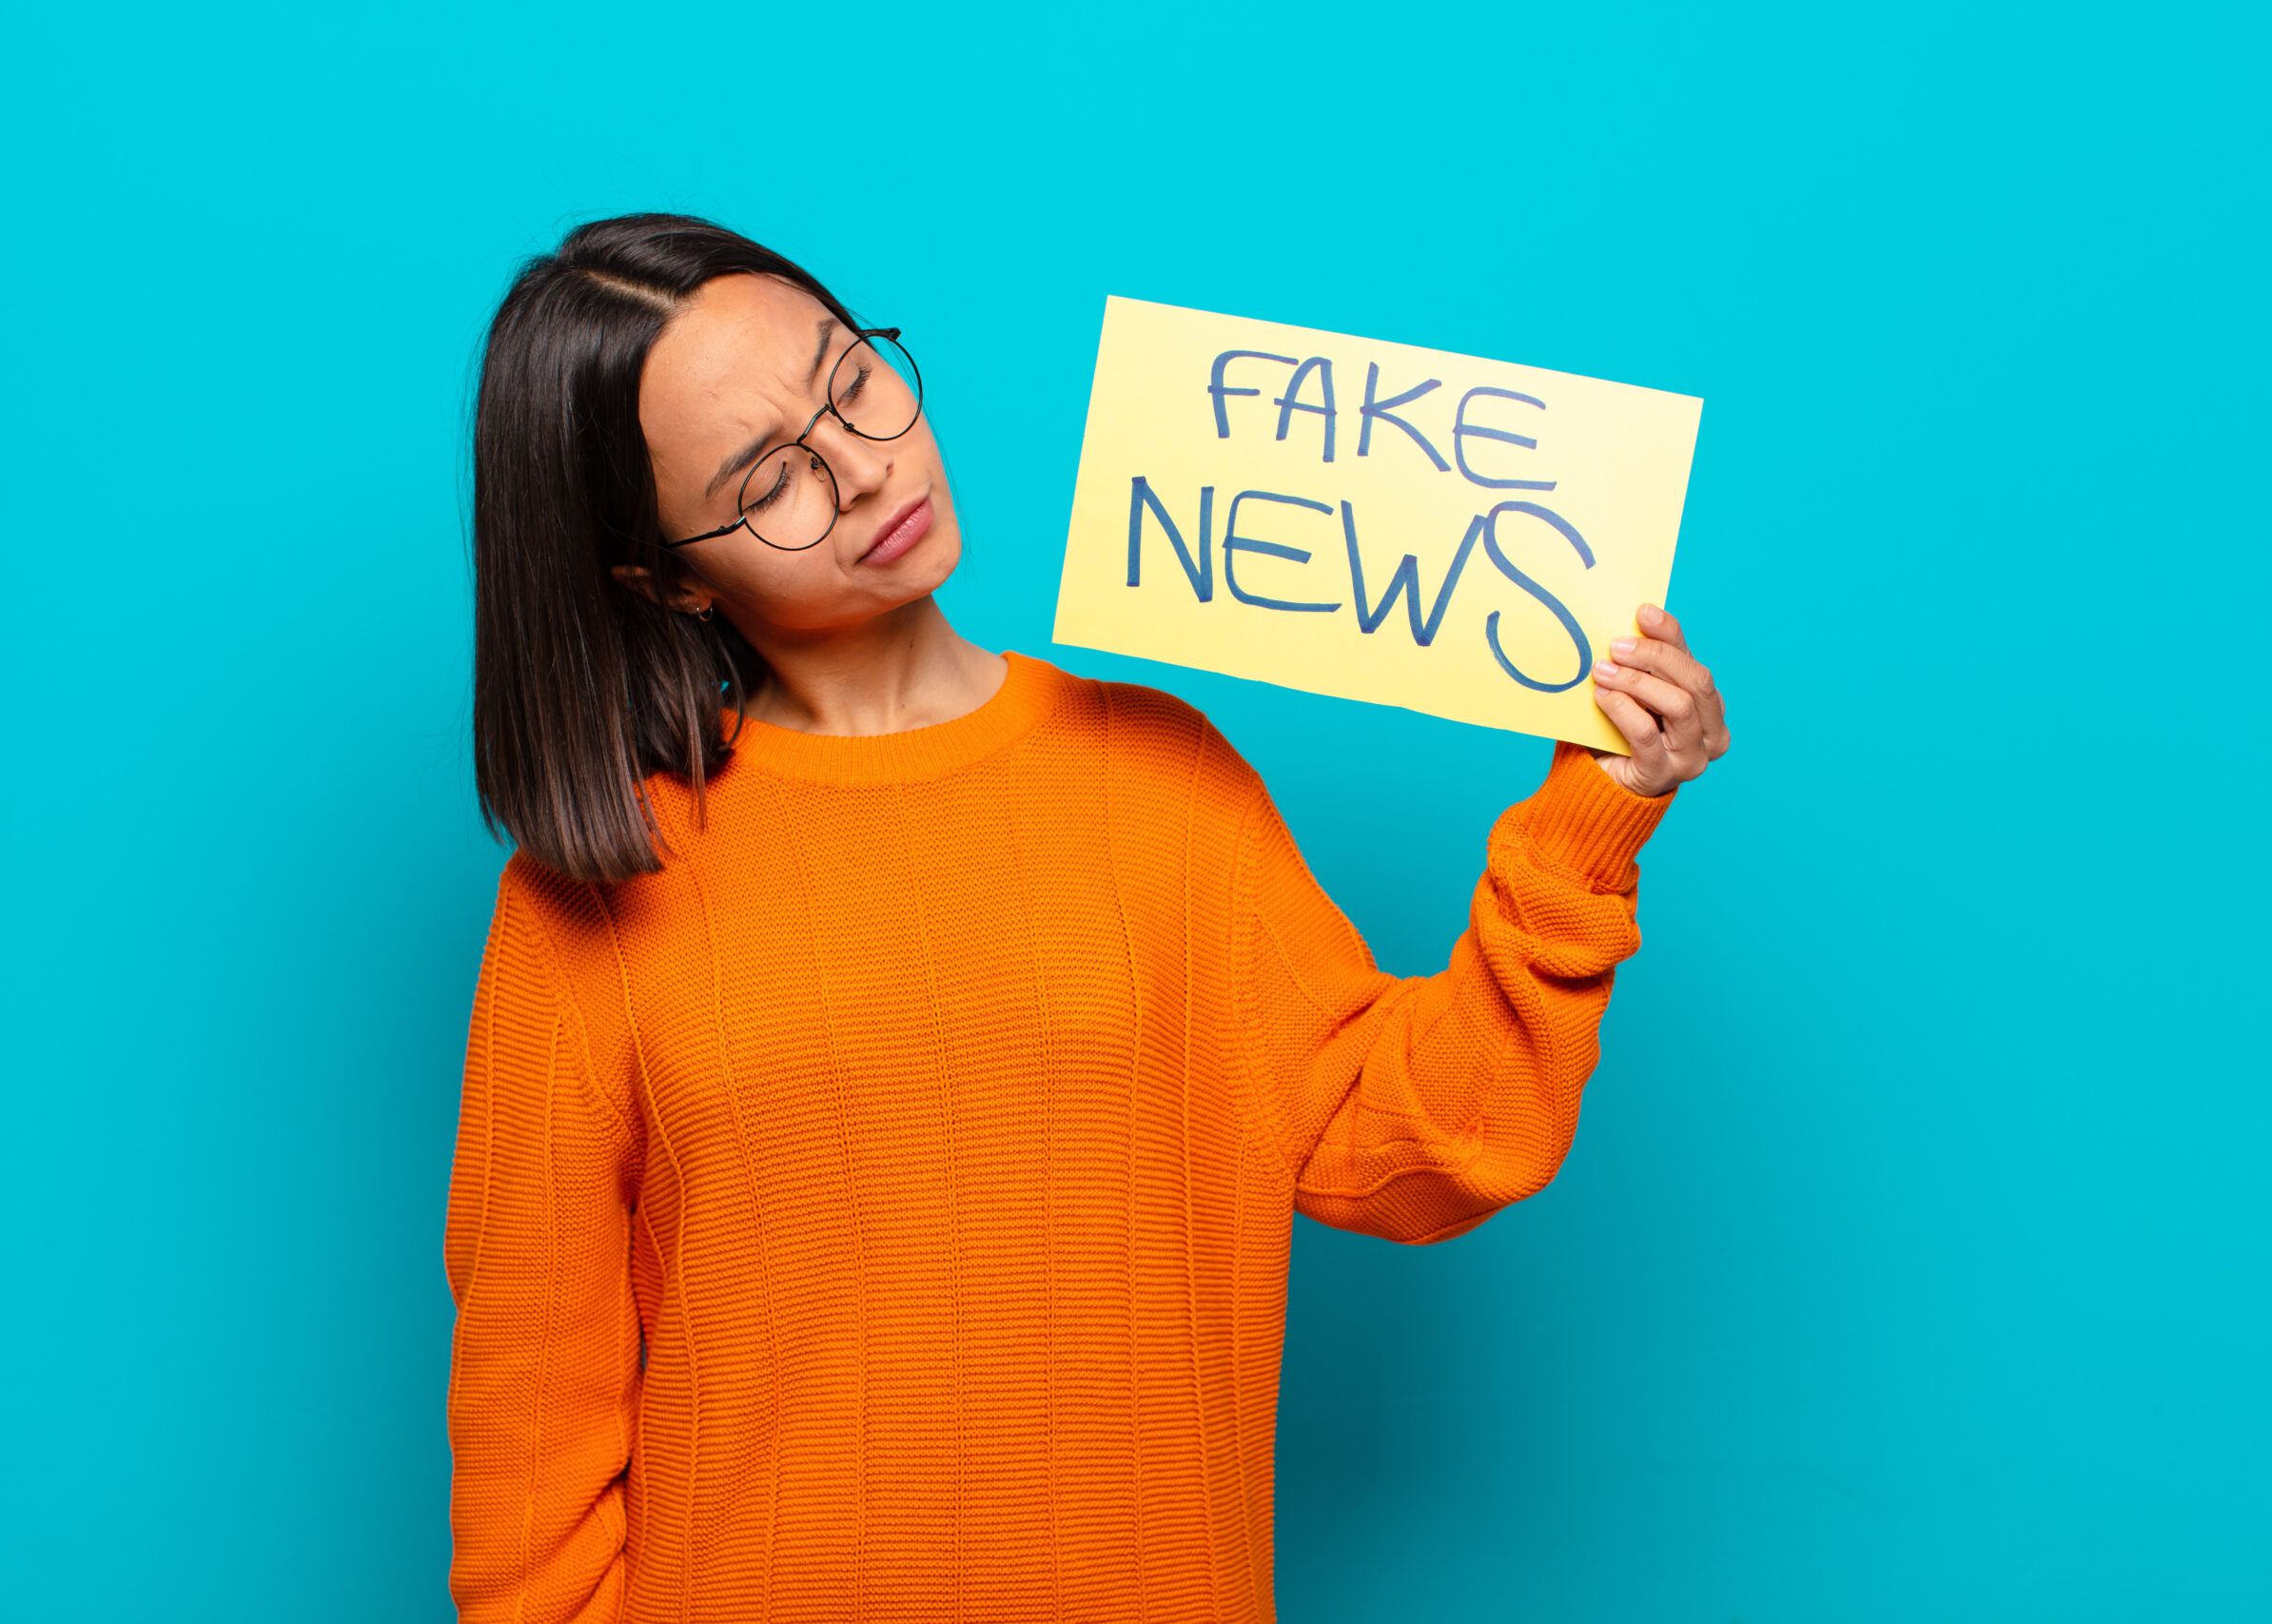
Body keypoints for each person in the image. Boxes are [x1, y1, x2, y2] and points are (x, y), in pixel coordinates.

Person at [447, 212, 1731, 1624]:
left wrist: (1593, 809)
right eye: (771, 480)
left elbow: (1422, 1138)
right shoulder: (596, 892)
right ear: (666, 576)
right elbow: (531, 1439)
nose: (865, 465)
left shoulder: (1155, 768)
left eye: (849, 378)